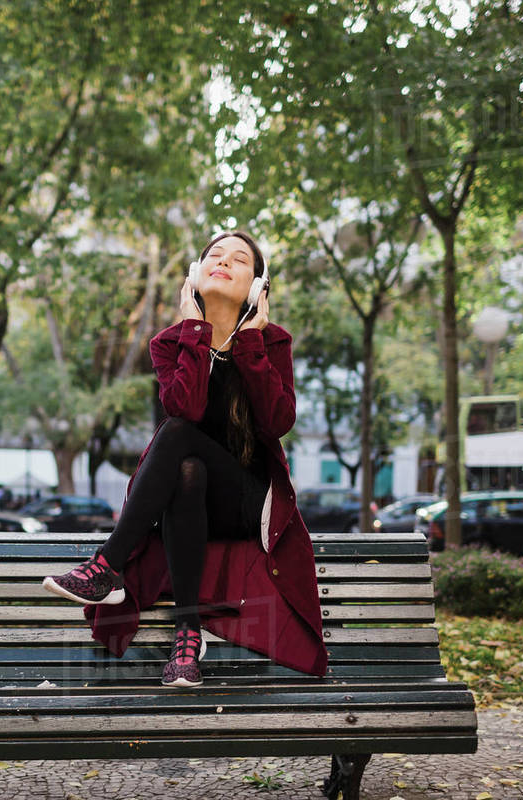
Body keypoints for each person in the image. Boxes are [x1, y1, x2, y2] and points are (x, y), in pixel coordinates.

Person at [42, 231, 327, 688]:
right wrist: (197, 329)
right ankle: (187, 635)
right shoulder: (170, 344)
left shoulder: (272, 343)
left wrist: (249, 342)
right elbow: (187, 408)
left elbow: (276, 423)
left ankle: (106, 566)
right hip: (188, 502)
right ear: (195, 274)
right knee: (186, 467)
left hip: (247, 503)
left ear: (258, 287)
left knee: (177, 438)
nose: (224, 262)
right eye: (214, 255)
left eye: (239, 260)